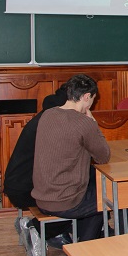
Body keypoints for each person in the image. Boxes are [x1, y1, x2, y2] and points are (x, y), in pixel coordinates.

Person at [32, 74, 111, 243]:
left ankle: (84, 243)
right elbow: (103, 156)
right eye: (93, 99)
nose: (91, 104)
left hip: (41, 196)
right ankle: (84, 250)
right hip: (65, 201)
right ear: (86, 96)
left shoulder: (47, 115)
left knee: (96, 193)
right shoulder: (83, 122)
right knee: (115, 197)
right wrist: (93, 124)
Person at [4, 86, 71, 256]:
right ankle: (38, 228)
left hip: (19, 184)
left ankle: (57, 231)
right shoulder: (57, 122)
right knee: (80, 197)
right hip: (27, 189)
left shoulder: (49, 114)